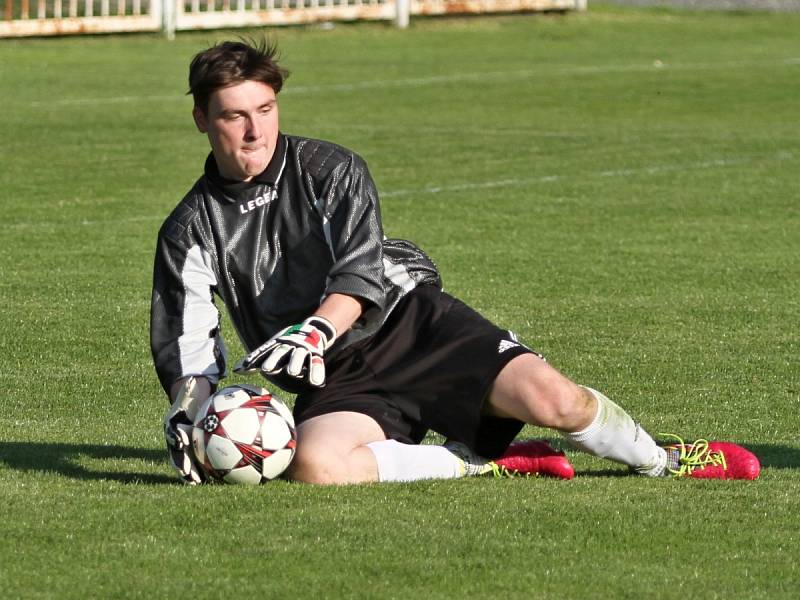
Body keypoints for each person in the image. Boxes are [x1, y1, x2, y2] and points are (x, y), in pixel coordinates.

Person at [150, 39, 759, 485]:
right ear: (203, 120)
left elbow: (359, 273)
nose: (255, 131)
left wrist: (314, 330)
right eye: (234, 115)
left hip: (416, 328)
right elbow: (190, 346)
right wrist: (189, 412)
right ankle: (479, 462)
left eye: (265, 109)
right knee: (315, 465)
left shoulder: (331, 170)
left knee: (560, 404)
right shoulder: (189, 230)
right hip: (334, 380)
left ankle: (666, 458)